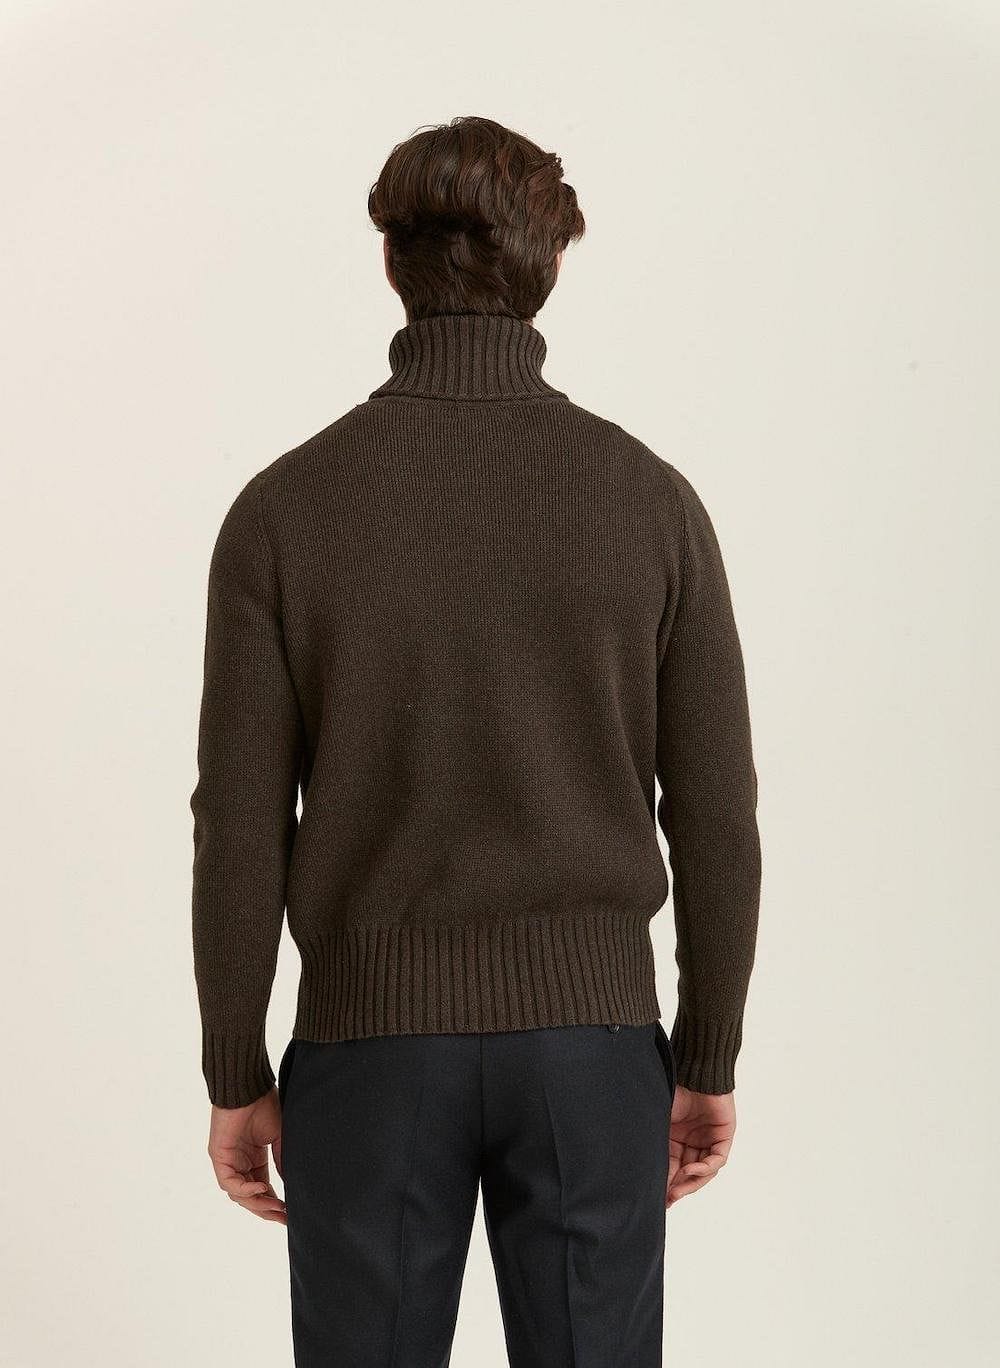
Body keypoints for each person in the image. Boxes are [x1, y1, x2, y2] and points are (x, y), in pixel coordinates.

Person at [190, 114, 762, 1367]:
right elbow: (716, 814)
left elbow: (238, 822)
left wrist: (235, 1067)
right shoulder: (651, 502)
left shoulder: (284, 509)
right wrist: (706, 1050)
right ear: (548, 266)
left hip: (366, 1051)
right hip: (592, 1050)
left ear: (390, 262)